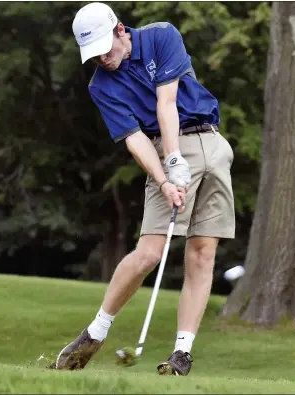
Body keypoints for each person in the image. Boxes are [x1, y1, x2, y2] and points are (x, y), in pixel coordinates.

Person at [55, 2, 235, 376]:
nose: (102, 59)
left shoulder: (161, 36)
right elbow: (134, 138)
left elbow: (166, 102)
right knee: (150, 252)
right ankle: (96, 331)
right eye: (94, 55)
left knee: (202, 253)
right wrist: (166, 175)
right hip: (162, 148)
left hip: (212, 145)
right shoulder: (100, 86)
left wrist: (175, 159)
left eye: (106, 49)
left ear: (121, 31)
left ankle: (181, 353)